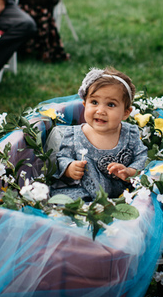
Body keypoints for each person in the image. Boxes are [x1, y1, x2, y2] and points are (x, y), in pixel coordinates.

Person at [49, 67, 148, 201]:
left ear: (126, 112)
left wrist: (129, 171)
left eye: (111, 105)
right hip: (82, 192)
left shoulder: (130, 134)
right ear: (85, 104)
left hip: (121, 196)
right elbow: (62, 158)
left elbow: (141, 157)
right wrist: (69, 168)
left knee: (141, 199)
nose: (100, 111)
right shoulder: (73, 135)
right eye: (94, 102)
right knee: (66, 202)